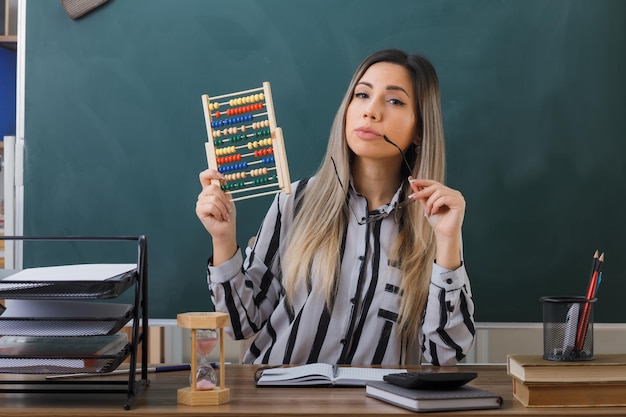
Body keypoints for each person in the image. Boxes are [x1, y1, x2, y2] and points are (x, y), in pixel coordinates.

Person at [195, 49, 475, 366]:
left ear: (420, 130)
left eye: (394, 101)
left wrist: (449, 241)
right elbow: (239, 324)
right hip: (276, 401)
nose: (371, 111)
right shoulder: (294, 202)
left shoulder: (433, 226)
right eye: (362, 95)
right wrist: (222, 239)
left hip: (377, 407)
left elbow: (445, 354)